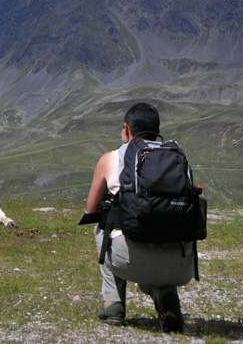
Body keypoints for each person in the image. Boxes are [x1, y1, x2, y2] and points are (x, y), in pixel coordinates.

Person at [85, 102, 194, 332]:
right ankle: (164, 293)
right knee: (156, 231)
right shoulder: (177, 158)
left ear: (126, 129)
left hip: (130, 262)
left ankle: (113, 304)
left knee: (104, 227)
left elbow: (91, 211)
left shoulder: (111, 158)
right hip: (180, 267)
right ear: (157, 129)